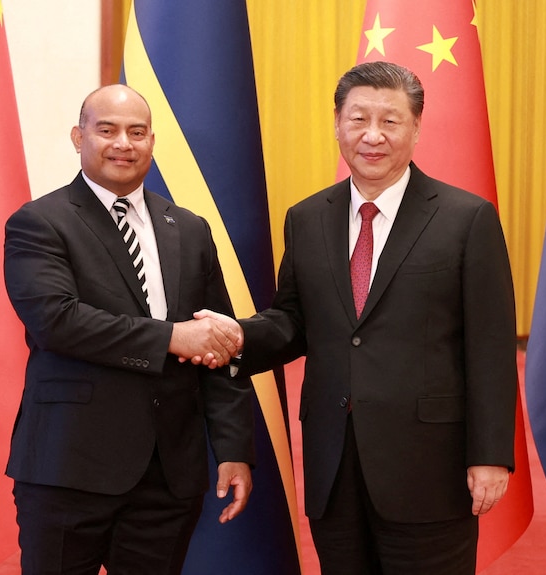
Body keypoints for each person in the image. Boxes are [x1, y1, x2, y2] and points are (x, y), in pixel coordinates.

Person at [199, 61, 518, 574]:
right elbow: (295, 320)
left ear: (416, 128)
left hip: (428, 467)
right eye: (358, 119)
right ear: (337, 124)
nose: (373, 136)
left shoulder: (466, 218)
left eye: (390, 121)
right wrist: (238, 335)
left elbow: (492, 346)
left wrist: (490, 455)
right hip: (334, 463)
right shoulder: (306, 218)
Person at [3, 84, 254, 575]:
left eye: (137, 132)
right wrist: (170, 337)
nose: (124, 143)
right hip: (68, 469)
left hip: (167, 475)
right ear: (79, 137)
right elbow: (58, 321)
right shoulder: (40, 223)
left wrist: (232, 449)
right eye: (107, 130)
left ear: (152, 142)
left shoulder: (190, 228)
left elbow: (216, 343)